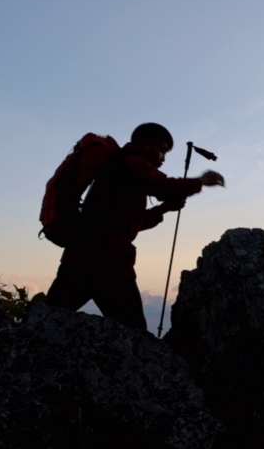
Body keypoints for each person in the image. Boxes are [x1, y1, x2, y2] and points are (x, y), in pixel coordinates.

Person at [47, 123, 224, 329]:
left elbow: (130, 223)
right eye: (162, 150)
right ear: (146, 144)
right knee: (135, 332)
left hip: (81, 258)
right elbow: (162, 185)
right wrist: (200, 182)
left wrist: (164, 209)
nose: (163, 158)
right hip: (110, 265)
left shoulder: (120, 168)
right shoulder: (130, 163)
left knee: (49, 319)